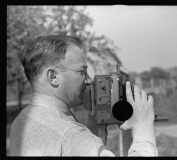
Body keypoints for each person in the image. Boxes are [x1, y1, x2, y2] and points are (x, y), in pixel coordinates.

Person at [9, 35, 158, 156]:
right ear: (53, 76)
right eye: (82, 71)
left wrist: (94, 125)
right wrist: (143, 126)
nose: (88, 80)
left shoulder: (21, 121)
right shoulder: (71, 135)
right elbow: (74, 141)